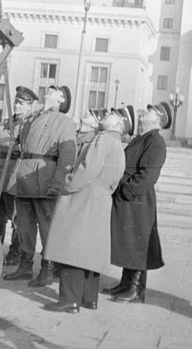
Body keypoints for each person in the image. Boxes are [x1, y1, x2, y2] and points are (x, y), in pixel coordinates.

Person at [42, 107, 130, 313]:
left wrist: (67, 183)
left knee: (71, 247)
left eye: (111, 116)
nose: (106, 115)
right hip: (100, 197)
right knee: (89, 250)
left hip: (85, 196)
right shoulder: (117, 143)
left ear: (117, 124)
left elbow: (86, 169)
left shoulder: (102, 139)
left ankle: (69, 300)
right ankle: (88, 298)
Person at [4, 85, 76, 287]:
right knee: (24, 226)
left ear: (61, 100)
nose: (49, 90)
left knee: (47, 228)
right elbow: (13, 138)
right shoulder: (31, 117)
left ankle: (48, 269)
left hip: (44, 178)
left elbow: (67, 156)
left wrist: (57, 183)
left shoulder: (64, 122)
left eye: (55, 90)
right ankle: (25, 266)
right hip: (24, 176)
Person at [106, 102, 172, 303]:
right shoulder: (142, 139)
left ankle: (136, 289)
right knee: (129, 242)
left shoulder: (156, 142)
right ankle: (126, 284)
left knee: (138, 243)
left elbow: (148, 175)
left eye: (150, 111)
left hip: (138, 199)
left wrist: (126, 189)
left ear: (158, 119)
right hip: (130, 198)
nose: (145, 111)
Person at [0, 86, 37, 265]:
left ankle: (15, 253)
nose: (17, 106)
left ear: (30, 106)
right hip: (0, 172)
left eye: (22, 103)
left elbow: (13, 138)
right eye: (16, 102)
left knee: (16, 217)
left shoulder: (30, 123)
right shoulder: (10, 120)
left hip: (14, 172)